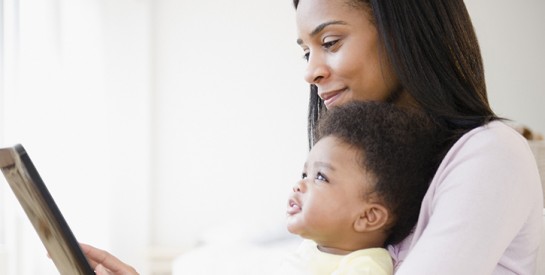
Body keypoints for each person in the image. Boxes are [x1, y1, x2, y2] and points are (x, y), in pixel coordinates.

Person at [84, 0, 544, 274]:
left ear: (406, 32)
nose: (310, 71)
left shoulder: (492, 153)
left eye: (330, 42)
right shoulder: (380, 168)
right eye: (306, 51)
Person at [278, 101, 443, 275]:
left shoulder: (366, 266)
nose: (299, 185)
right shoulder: (309, 248)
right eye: (305, 175)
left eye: (320, 177)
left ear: (368, 216)